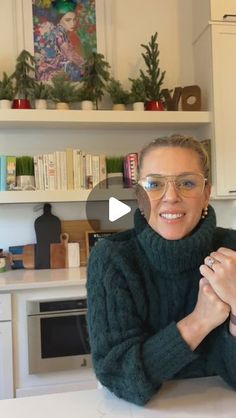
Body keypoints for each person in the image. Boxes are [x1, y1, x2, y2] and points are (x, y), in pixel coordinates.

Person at [87, 134, 236, 406]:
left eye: (187, 183)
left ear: (205, 195)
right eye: (154, 184)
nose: (170, 197)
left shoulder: (233, 251)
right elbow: (119, 374)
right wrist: (199, 322)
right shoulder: (112, 258)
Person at [34, 1, 85, 81]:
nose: (73, 23)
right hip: (49, 71)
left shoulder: (58, 31)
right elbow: (69, 54)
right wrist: (83, 64)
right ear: (58, 20)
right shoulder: (59, 33)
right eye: (68, 20)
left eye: (74, 19)